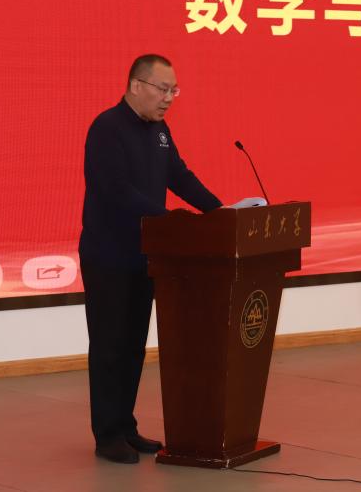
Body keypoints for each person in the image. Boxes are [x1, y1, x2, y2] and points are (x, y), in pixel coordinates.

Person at [79, 54, 222, 464]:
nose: (169, 98)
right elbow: (117, 191)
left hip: (147, 255)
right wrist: (169, 218)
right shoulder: (107, 128)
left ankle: (126, 426)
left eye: (174, 90)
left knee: (134, 347)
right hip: (108, 256)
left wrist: (219, 212)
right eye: (163, 89)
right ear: (136, 85)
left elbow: (179, 176)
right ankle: (107, 435)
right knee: (109, 346)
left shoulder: (159, 130)